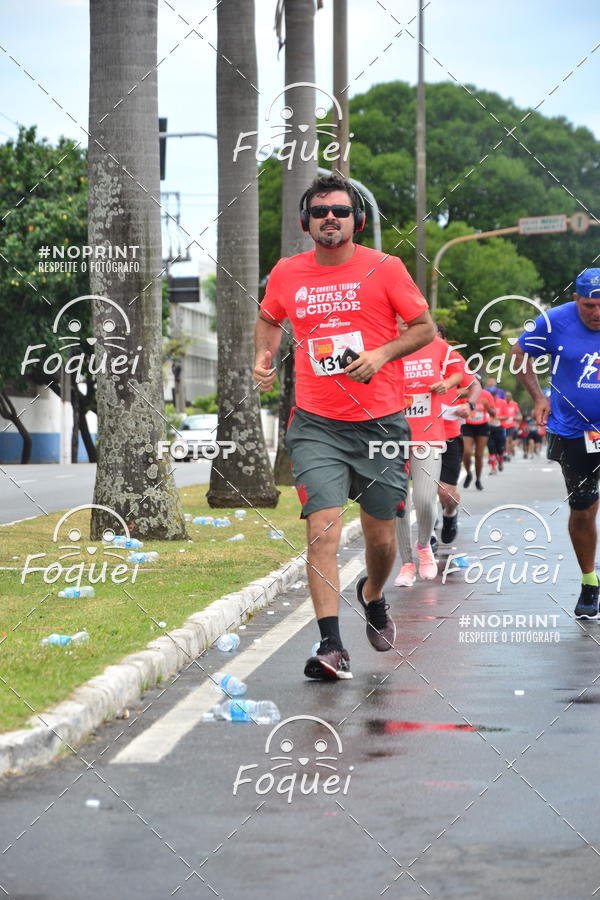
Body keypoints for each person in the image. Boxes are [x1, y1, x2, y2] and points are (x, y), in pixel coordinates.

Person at [254, 173, 435, 678]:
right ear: (305, 221)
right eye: (319, 211)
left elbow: (425, 328)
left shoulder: (385, 267)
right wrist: (263, 357)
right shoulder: (288, 272)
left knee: (381, 539)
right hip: (316, 424)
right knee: (321, 532)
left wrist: (380, 354)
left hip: (380, 424)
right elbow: (270, 317)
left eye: (339, 210)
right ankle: (330, 645)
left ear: (358, 219)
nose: (329, 217)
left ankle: (373, 595)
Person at [512, 268, 600, 619]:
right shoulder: (554, 321)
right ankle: (590, 582)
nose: (595, 313)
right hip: (574, 431)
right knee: (584, 509)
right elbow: (519, 353)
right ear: (576, 300)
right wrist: (537, 397)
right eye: (588, 305)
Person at [393, 330, 463, 587]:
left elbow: (460, 372)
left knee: (424, 499)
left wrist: (446, 383)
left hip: (428, 434)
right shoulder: (383, 342)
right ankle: (407, 563)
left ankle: (423, 545)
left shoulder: (435, 344)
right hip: (391, 435)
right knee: (399, 502)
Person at [437, 331, 481, 543]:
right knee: (422, 493)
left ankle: (450, 513)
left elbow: (474, 385)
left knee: (446, 493)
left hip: (449, 434)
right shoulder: (407, 354)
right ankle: (426, 539)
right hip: (416, 436)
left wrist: (469, 404)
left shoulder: (452, 357)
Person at [461, 383, 496, 490]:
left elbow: (493, 413)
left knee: (479, 455)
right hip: (467, 425)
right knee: (466, 452)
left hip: (482, 426)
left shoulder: (486, 394)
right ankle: (468, 474)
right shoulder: (464, 394)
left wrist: (487, 407)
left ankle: (478, 480)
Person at [487, 392, 508, 474]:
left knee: (500, 449)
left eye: (494, 394)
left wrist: (497, 417)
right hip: (489, 428)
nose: (493, 396)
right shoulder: (486, 402)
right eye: (491, 394)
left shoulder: (502, 403)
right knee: (491, 448)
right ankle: (493, 468)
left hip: (500, 428)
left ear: (497, 395)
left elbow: (506, 416)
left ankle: (500, 461)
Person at [503, 392, 520, 459]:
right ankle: (506, 453)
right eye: (506, 396)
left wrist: (516, 418)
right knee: (505, 440)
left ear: (511, 397)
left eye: (509, 396)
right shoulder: (502, 404)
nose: (508, 397)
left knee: (509, 440)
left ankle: (508, 453)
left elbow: (518, 414)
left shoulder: (514, 404)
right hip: (503, 425)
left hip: (511, 425)